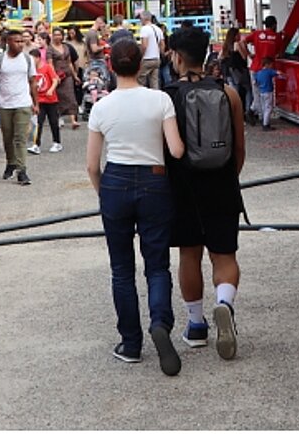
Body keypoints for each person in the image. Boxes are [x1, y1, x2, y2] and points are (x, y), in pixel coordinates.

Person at [85, 40, 186, 374]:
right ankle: (160, 322)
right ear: (142, 64)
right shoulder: (160, 100)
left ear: (111, 66)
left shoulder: (101, 107)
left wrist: (104, 193)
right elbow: (176, 150)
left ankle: (130, 343)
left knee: (121, 268)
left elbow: (91, 165)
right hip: (155, 181)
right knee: (157, 264)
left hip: (115, 181)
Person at [163, 27, 246, 361]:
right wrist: (228, 177)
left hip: (183, 187)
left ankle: (196, 325)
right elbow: (239, 149)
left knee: (189, 254)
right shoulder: (229, 94)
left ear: (177, 57)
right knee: (224, 255)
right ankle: (224, 303)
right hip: (222, 182)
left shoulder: (166, 97)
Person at [0, 29, 38, 185]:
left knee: (20, 139)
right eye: (17, 41)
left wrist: (36, 103)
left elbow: (33, 82)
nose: (20, 44)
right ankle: (11, 163)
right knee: (7, 138)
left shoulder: (28, 60)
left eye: (22, 41)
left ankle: (22, 171)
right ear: (8, 42)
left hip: (23, 103)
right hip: (4, 105)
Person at [242, 16, 283, 116]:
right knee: (267, 95)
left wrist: (249, 54)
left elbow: (243, 41)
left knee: (257, 94)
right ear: (274, 25)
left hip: (255, 68)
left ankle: (254, 113)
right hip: (267, 71)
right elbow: (279, 53)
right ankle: (260, 117)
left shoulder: (257, 34)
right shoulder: (276, 37)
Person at [31, 35, 62, 154]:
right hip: (39, 100)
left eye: (33, 58)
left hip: (51, 100)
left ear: (38, 58)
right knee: (38, 123)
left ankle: (57, 142)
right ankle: (36, 144)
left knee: (54, 122)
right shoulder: (32, 71)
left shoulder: (47, 67)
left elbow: (55, 79)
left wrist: (51, 89)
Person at [50, 27, 80, 130]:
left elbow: (70, 62)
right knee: (58, 98)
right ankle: (58, 117)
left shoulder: (66, 47)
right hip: (56, 75)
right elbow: (50, 64)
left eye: (59, 35)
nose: (57, 37)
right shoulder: (50, 48)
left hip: (67, 74)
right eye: (55, 35)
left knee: (70, 96)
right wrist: (54, 76)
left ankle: (73, 120)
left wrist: (75, 75)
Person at [220, 27, 252, 123]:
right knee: (248, 90)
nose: (240, 36)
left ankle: (235, 114)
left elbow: (220, 57)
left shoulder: (225, 46)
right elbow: (244, 56)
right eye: (238, 34)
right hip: (240, 71)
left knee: (235, 93)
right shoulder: (237, 44)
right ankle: (247, 110)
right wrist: (245, 48)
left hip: (230, 72)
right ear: (235, 36)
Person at [137, 12, 165, 89]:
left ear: (143, 18)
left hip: (147, 59)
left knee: (140, 80)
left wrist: (141, 56)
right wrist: (160, 54)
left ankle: (141, 97)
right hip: (156, 58)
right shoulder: (158, 29)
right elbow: (162, 44)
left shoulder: (144, 29)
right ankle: (155, 98)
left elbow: (144, 45)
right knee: (154, 81)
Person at [252, 57, 278, 131]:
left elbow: (255, 83)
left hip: (261, 92)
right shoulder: (269, 71)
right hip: (268, 91)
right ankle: (266, 124)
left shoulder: (258, 73)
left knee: (264, 108)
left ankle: (264, 121)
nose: (271, 66)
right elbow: (278, 73)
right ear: (267, 65)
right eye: (270, 65)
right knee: (268, 108)